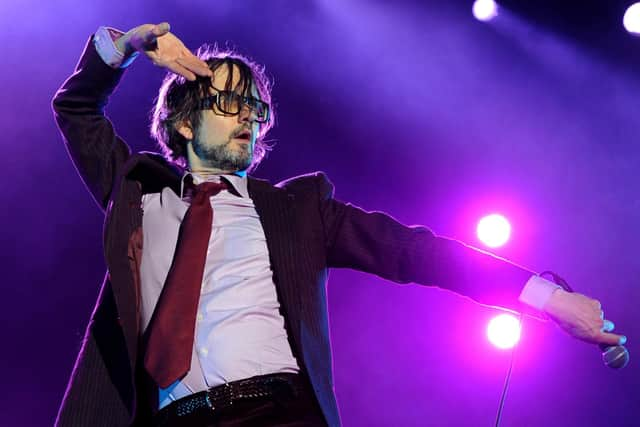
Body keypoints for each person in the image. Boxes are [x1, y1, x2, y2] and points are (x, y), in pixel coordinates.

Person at [52, 22, 626, 427]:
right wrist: (124, 47)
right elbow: (75, 108)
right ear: (182, 122)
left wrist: (548, 297)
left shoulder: (300, 210)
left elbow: (418, 252)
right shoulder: (137, 189)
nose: (247, 118)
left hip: (276, 411)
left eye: (255, 108)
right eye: (229, 103)